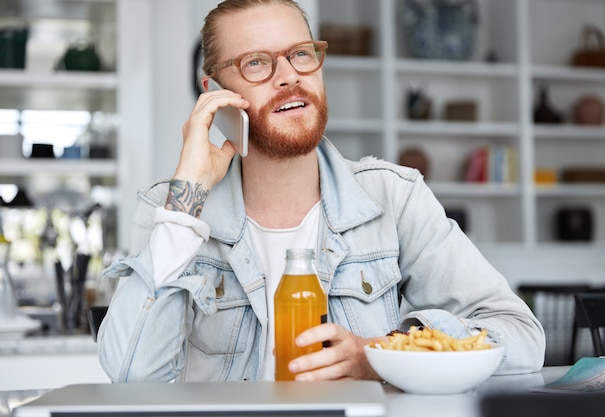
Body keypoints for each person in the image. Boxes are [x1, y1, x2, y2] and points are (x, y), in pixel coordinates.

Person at [97, 0, 545, 383]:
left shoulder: (394, 197)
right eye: (256, 62)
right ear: (214, 93)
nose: (289, 76)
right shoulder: (172, 208)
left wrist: (381, 356)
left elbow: (521, 337)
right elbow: (131, 374)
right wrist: (187, 199)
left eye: (301, 54)